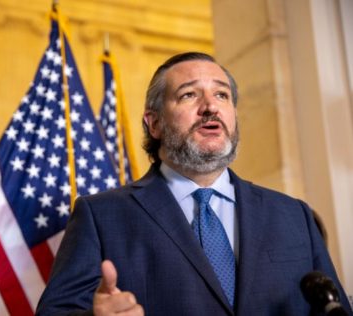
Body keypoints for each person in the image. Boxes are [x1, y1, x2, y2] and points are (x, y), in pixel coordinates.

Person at [36, 52, 352, 315]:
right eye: (189, 94)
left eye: (221, 95)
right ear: (154, 123)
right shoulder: (100, 216)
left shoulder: (294, 215)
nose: (210, 106)